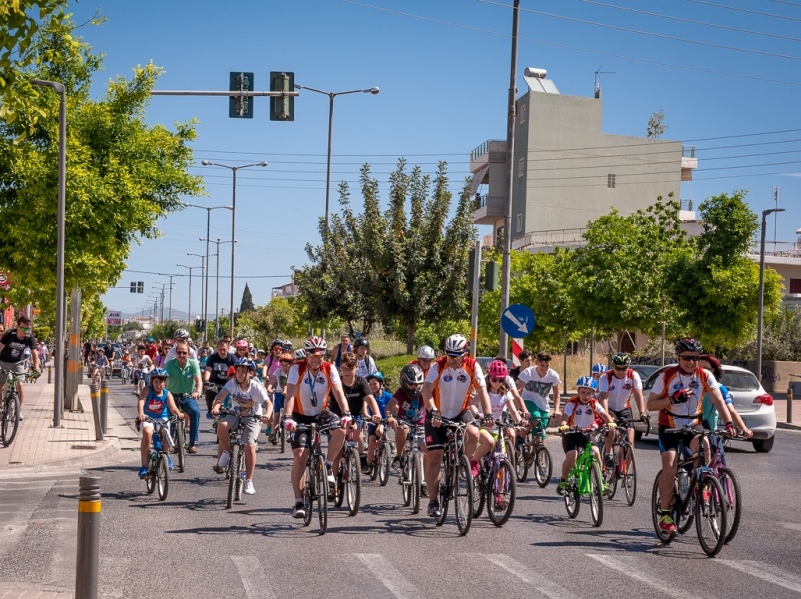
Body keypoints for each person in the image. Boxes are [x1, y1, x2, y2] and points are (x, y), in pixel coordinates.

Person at [647, 338, 735, 534]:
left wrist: (729, 423)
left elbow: (719, 401)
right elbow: (650, 405)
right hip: (668, 426)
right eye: (686, 358)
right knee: (670, 465)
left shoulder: (704, 375)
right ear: (678, 357)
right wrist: (672, 399)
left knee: (705, 449)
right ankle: (666, 513)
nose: (691, 362)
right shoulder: (667, 375)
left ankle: (702, 486)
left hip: (693, 424)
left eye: (695, 358)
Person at [421, 333, 494, 519]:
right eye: (449, 354)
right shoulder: (438, 365)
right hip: (437, 413)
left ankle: (464, 465)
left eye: (456, 355)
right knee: (435, 456)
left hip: (460, 412)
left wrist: (488, 414)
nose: (451, 359)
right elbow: (426, 390)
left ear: (464, 353)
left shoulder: (472, 366)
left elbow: (483, 391)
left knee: (474, 433)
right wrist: (433, 411)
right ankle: (433, 501)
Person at [283, 336, 351, 519]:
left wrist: (346, 413)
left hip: (321, 413)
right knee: (300, 457)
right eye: (312, 354)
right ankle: (298, 501)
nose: (316, 357)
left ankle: (328, 465)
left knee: (341, 430)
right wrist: (288, 418)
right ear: (306, 354)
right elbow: (290, 395)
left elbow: (338, 393)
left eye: (320, 354)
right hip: (299, 415)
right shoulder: (297, 369)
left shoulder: (330, 369)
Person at [211, 358, 273, 495]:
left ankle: (249, 481)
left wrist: (267, 414)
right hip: (235, 414)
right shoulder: (232, 383)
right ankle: (227, 452)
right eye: (238, 371)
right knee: (221, 426)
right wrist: (216, 407)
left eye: (243, 371)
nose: (239, 374)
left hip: (252, 417)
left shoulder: (256, 387)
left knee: (249, 445)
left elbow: (268, 404)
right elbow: (220, 398)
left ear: (250, 373)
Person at [556, 376, 616, 495]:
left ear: (593, 393)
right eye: (583, 392)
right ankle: (563, 481)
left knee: (596, 451)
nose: (585, 396)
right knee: (572, 455)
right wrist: (563, 425)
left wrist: (611, 422)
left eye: (589, 393)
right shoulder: (571, 403)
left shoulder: (594, 403)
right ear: (578, 391)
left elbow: (604, 414)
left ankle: (600, 480)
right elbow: (565, 417)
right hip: (571, 433)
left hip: (586, 434)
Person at [698, 354, 753, 461]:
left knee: (720, 460)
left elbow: (731, 411)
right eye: (700, 369)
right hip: (693, 430)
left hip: (711, 430)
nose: (703, 372)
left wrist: (744, 429)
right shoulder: (692, 386)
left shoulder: (720, 389)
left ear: (713, 370)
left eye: (707, 369)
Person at [334, 352, 381, 473]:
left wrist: (377, 414)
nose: (347, 372)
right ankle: (332, 482)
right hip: (337, 416)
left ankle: (360, 455)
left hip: (356, 415)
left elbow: (370, 398)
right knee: (337, 452)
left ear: (356, 367)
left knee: (358, 434)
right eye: (344, 369)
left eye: (350, 369)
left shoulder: (361, 381)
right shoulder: (337, 382)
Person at [599, 352, 647, 467]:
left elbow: (639, 395)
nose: (620, 371)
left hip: (625, 408)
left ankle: (626, 470)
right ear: (613, 367)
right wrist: (607, 417)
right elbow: (604, 398)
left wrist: (642, 413)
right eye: (618, 368)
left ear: (628, 367)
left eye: (623, 368)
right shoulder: (605, 377)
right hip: (609, 408)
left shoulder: (633, 375)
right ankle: (608, 453)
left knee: (630, 442)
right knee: (612, 428)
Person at [386, 364, 428, 494]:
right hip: (404, 421)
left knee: (427, 450)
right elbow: (389, 407)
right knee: (402, 429)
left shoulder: (424, 392)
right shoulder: (400, 393)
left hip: (421, 424)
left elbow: (434, 405)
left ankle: (425, 481)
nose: (415, 388)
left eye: (417, 384)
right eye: (411, 384)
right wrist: (390, 417)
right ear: (404, 383)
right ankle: (399, 456)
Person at [135, 368, 181, 478]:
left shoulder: (167, 393)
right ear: (152, 382)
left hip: (162, 418)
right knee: (147, 433)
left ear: (165, 383)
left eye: (161, 382)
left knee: (166, 432)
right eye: (156, 381)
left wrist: (179, 414)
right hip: (148, 418)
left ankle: (166, 454)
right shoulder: (147, 390)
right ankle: (144, 466)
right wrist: (141, 413)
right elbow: (141, 401)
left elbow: (173, 407)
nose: (158, 384)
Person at [164, 341, 203, 454]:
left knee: (195, 412)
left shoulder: (193, 364)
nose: (181, 355)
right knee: (169, 418)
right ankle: (169, 441)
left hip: (187, 396)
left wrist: (198, 391)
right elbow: (163, 379)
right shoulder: (170, 364)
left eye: (184, 353)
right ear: (175, 353)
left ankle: (192, 443)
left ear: (188, 354)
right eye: (179, 352)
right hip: (172, 396)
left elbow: (198, 380)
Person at [0, 315, 40, 419]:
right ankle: (0, 408)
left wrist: (36, 369)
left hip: (17, 363)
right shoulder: (9, 334)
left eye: (27, 328)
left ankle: (18, 411)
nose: (25, 331)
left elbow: (35, 354)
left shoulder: (29, 338)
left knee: (20, 385)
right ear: (17, 326)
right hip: (3, 361)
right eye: (23, 328)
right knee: (0, 386)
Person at [517, 351, 561, 437]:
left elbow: (557, 394)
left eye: (547, 366)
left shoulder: (553, 375)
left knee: (542, 431)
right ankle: (520, 437)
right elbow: (518, 391)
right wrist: (519, 407)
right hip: (528, 399)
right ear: (537, 363)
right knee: (536, 417)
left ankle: (540, 450)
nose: (544, 368)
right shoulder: (528, 373)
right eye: (542, 366)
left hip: (543, 404)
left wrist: (556, 410)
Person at [365, 371, 393, 472]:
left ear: (381, 384)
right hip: (372, 421)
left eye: (375, 384)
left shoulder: (388, 396)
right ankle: (369, 463)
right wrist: (367, 416)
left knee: (380, 431)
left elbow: (396, 407)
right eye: (370, 384)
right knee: (372, 441)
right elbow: (364, 407)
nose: (372, 386)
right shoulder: (369, 396)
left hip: (384, 421)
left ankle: (385, 443)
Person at [203, 339, 235, 419]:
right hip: (215, 382)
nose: (222, 352)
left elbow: (236, 371)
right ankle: (210, 409)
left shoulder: (232, 358)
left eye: (224, 350)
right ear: (217, 349)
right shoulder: (212, 358)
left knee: (230, 398)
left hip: (228, 383)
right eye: (220, 350)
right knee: (210, 391)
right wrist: (206, 380)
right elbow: (208, 369)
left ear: (228, 349)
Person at [266, 352, 293, 445]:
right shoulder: (278, 371)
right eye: (282, 365)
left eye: (286, 365)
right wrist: (269, 388)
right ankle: (273, 433)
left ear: (291, 365)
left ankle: (290, 432)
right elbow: (272, 379)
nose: (284, 367)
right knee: (276, 413)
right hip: (279, 393)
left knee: (290, 414)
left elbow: (289, 384)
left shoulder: (293, 372)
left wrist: (286, 391)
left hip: (290, 394)